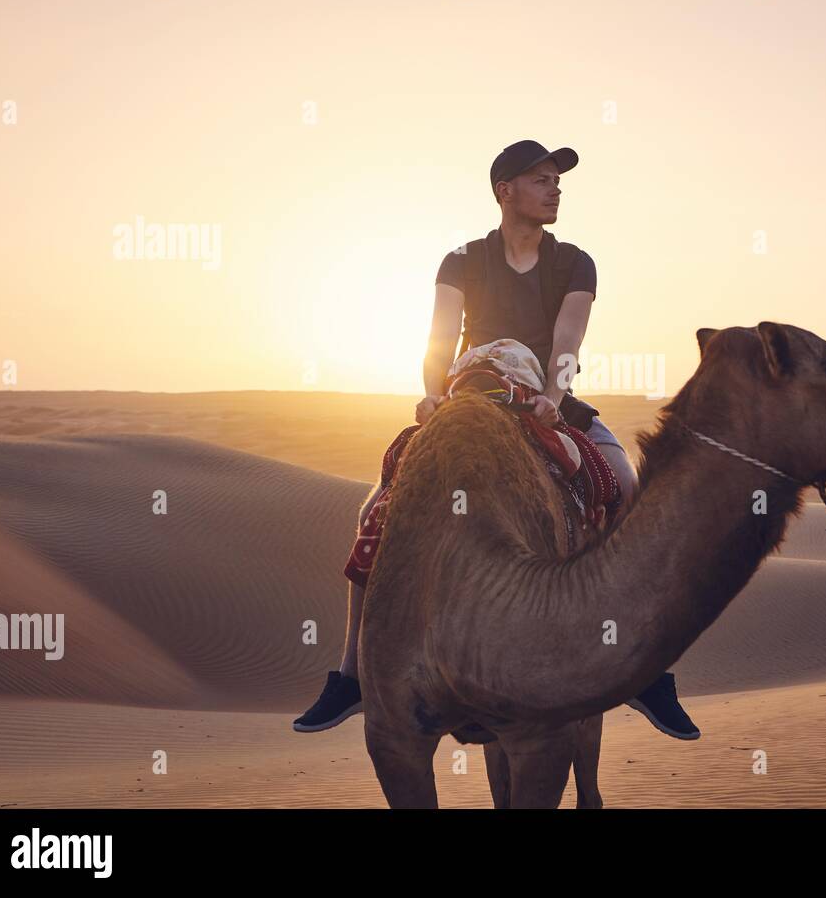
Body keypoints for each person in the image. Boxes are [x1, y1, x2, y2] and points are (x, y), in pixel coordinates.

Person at [293, 140, 700, 740]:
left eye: (557, 181)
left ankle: (644, 671)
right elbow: (441, 335)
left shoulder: (575, 261)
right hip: (468, 396)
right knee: (378, 509)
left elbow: (569, 339)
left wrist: (554, 401)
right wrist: (432, 393)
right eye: (541, 179)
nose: (555, 189)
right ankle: (352, 675)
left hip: (548, 397)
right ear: (504, 190)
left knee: (627, 487)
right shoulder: (462, 259)